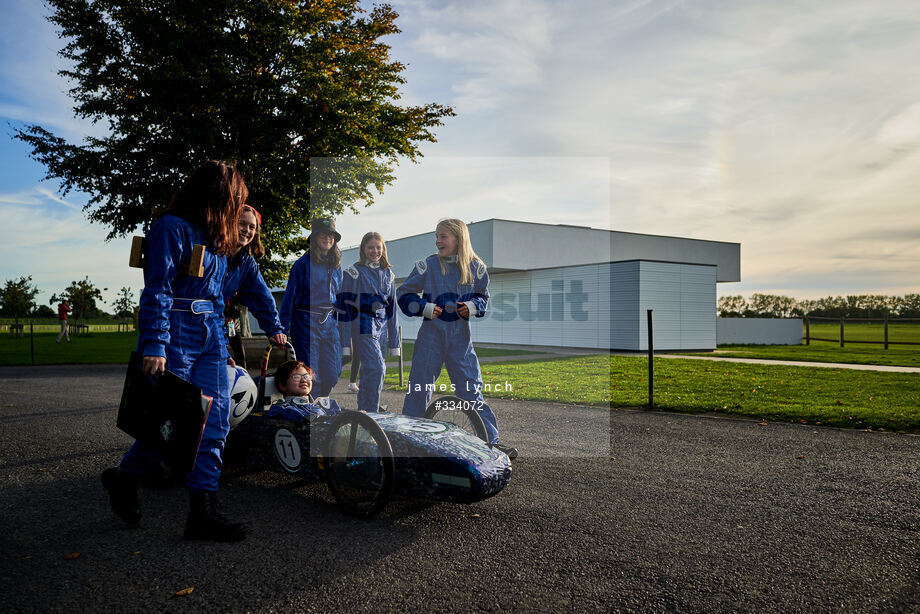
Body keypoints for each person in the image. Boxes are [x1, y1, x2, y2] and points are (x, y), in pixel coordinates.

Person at [101, 160, 249, 542]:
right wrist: (155, 342)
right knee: (169, 428)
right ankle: (125, 478)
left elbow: (217, 299)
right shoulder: (170, 227)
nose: (237, 205)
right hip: (175, 335)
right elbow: (158, 289)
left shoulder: (218, 241)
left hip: (210, 337)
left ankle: (202, 512)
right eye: (235, 198)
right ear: (216, 194)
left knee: (214, 424)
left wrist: (223, 346)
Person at [396, 218, 517, 459]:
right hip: (431, 334)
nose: (438, 241)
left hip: (460, 337)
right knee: (420, 386)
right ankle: (407, 441)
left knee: (471, 389)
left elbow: (482, 298)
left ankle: (490, 442)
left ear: (458, 238)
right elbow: (403, 293)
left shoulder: (476, 267)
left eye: (443, 236)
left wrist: (472, 306)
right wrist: (424, 307)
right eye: (437, 236)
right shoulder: (427, 266)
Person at [279, 217, 343, 397]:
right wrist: (282, 329)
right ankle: (313, 416)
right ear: (314, 237)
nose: (327, 238)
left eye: (331, 235)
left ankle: (319, 403)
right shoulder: (301, 265)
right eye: (323, 234)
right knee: (311, 375)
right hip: (306, 323)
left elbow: (339, 299)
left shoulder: (336, 266)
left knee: (332, 373)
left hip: (330, 324)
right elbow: (289, 299)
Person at [340, 232, 400, 411]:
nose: (375, 251)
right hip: (363, 326)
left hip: (381, 331)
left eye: (378, 247)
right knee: (377, 368)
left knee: (369, 373)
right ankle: (372, 411)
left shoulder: (389, 275)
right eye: (370, 247)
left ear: (383, 249)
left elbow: (392, 311)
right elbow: (344, 309)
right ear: (363, 249)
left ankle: (364, 412)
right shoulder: (353, 273)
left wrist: (394, 343)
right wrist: (345, 343)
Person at [223, 204, 287, 363]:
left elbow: (261, 296)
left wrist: (274, 329)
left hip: (229, 321)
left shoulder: (246, 263)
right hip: (196, 322)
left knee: (238, 352)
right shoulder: (213, 252)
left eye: (252, 227)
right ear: (229, 223)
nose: (247, 230)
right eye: (242, 223)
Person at [266, 360, 342, 420]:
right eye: (296, 377)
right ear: (283, 386)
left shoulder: (322, 406)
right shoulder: (282, 409)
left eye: (306, 376)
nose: (304, 380)